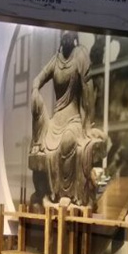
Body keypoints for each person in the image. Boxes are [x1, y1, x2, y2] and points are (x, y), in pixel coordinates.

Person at [28, 31, 108, 209]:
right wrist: (35, 90)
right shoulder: (56, 60)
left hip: (73, 120)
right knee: (44, 147)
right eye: (63, 33)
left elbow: (88, 90)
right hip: (56, 121)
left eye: (69, 33)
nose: (66, 36)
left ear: (74, 37)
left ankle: (71, 195)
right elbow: (38, 79)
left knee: (68, 141)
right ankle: (51, 195)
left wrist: (88, 125)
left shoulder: (80, 55)